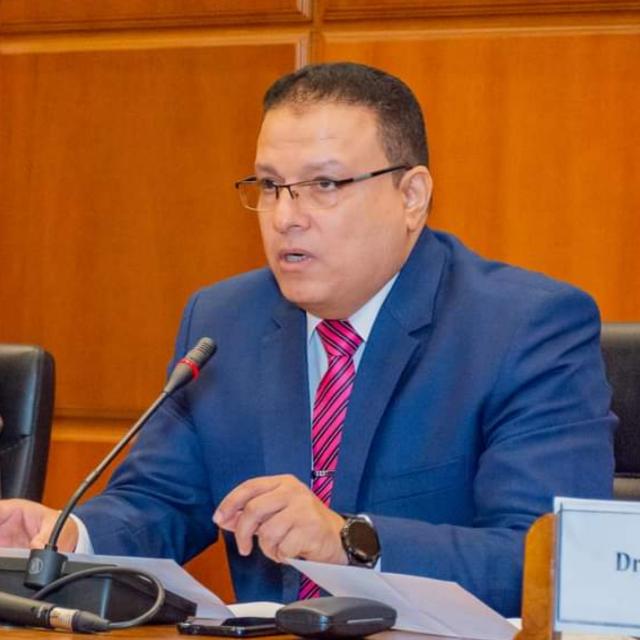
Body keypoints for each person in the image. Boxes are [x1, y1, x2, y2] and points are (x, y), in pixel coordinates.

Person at [0, 62, 616, 616]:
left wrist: (349, 541)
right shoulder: (225, 319)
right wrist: (69, 537)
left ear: (412, 196)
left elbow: (547, 565)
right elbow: (160, 500)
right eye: (270, 186)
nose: (286, 217)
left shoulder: (525, 327)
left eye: (325, 185)